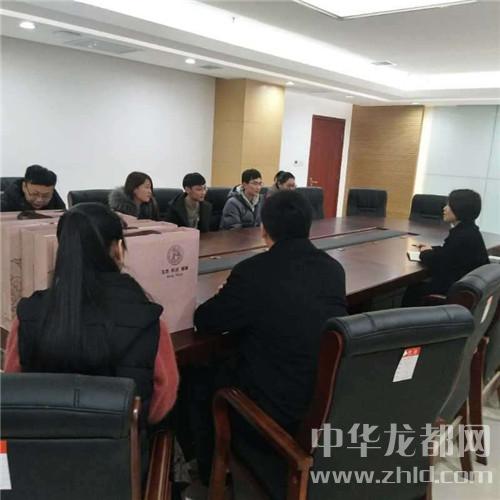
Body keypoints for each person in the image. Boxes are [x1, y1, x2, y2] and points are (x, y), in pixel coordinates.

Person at [192, 190, 347, 495]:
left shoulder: (253, 271)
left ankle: (211, 476)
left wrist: (229, 293)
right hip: (322, 404)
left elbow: (206, 319)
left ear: (264, 228)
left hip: (273, 416)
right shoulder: (333, 269)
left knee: (199, 379)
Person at [4, 203, 179, 430]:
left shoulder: (28, 315)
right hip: (120, 449)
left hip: (38, 448)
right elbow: (161, 402)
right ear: (118, 249)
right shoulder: (149, 320)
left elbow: (13, 389)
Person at [402, 189, 489, 306]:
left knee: (413, 289)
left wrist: (425, 253)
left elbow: (437, 263)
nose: (444, 208)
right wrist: (433, 249)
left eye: (449, 205)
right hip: (466, 289)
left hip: (453, 292)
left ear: (460, 209)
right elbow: (450, 253)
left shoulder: (461, 236)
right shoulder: (470, 231)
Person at [1, 164, 66, 212]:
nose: (39, 200)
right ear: (24, 187)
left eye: (45, 196)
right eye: (34, 194)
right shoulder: (5, 203)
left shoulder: (56, 202)